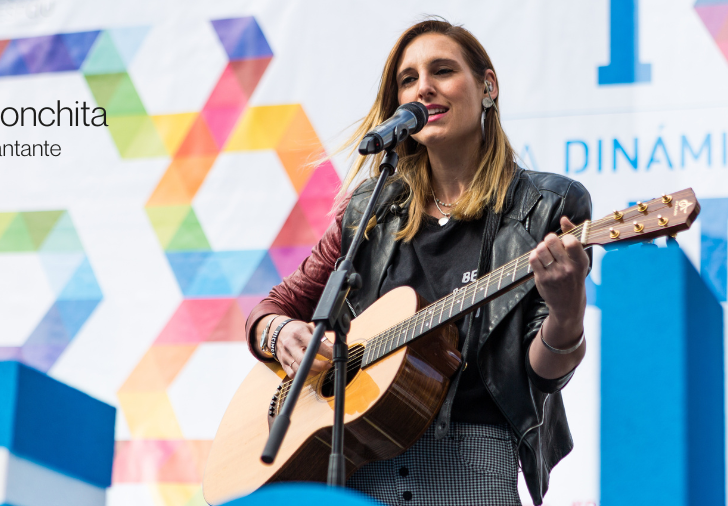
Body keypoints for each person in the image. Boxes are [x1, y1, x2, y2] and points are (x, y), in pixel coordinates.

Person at [244, 18, 592, 506]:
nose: (423, 86)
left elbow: (544, 374)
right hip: (358, 466)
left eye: (443, 70)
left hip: (472, 467)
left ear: (488, 87)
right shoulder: (372, 208)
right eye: (408, 79)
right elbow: (272, 308)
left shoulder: (547, 204)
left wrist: (567, 311)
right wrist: (280, 334)